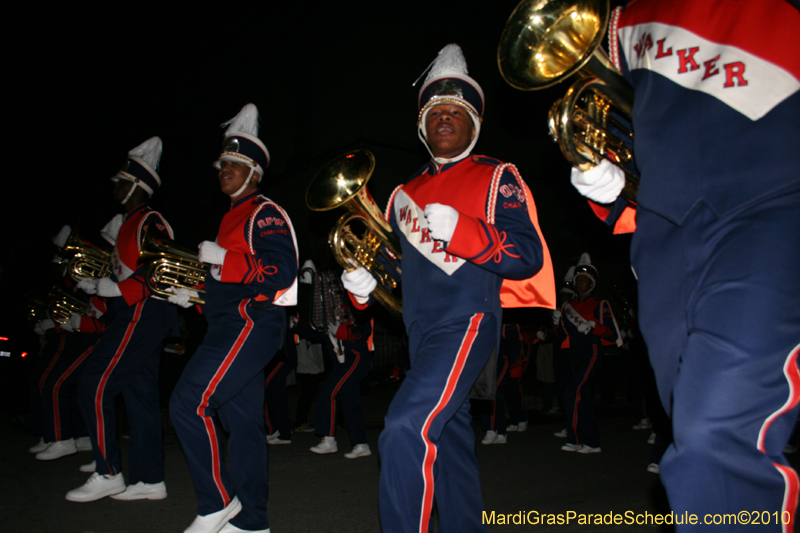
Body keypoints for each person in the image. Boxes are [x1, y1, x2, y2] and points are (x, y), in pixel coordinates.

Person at [568, 1, 800, 528]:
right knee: (694, 425)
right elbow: (643, 131)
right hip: (662, 239)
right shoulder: (620, 21)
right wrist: (609, 191)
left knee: (716, 438)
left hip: (774, 204)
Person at [341, 44, 555, 532]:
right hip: (420, 330)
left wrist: (465, 230)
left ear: (473, 125)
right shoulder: (402, 195)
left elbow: (527, 256)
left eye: (455, 111)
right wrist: (365, 285)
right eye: (435, 111)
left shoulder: (496, 176)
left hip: (468, 320)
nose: (444, 117)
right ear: (422, 126)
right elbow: (399, 273)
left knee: (404, 427)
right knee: (452, 444)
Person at [169, 103, 298, 533]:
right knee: (242, 425)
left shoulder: (265, 212)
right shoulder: (230, 218)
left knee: (188, 402)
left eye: (237, 163)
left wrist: (225, 259)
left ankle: (216, 503)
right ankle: (252, 522)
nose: (225, 168)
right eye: (223, 163)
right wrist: (196, 296)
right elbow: (232, 283)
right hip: (233, 323)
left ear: (255, 173)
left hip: (252, 323)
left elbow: (279, 272)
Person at [66, 137, 180, 503]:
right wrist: (99, 285)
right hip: (135, 314)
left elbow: (162, 268)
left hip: (142, 314)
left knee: (94, 385)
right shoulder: (130, 223)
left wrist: (118, 291)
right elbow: (127, 272)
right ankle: (149, 481)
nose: (114, 185)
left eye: (120, 179)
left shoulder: (149, 219)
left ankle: (108, 472)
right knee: (140, 397)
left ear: (136, 184)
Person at [552, 254, 620, 454]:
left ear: (591, 284)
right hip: (573, 353)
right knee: (584, 395)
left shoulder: (600, 304)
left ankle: (574, 438)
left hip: (591, 352)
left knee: (573, 390)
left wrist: (593, 325)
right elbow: (562, 337)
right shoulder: (569, 307)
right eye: (578, 280)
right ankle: (591, 442)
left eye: (583, 281)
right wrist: (556, 322)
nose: (579, 284)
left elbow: (612, 334)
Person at [309, 312, 374, 459]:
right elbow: (321, 335)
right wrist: (297, 326)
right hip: (343, 363)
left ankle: (329, 439)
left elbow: (363, 331)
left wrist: (343, 333)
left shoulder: (356, 304)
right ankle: (361, 444)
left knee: (329, 393)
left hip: (355, 357)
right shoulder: (330, 311)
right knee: (349, 402)